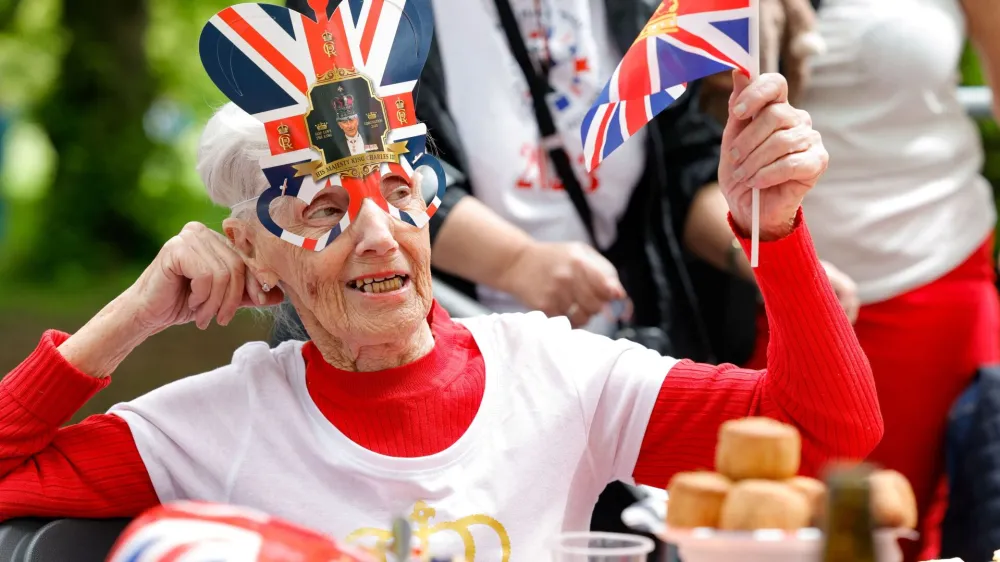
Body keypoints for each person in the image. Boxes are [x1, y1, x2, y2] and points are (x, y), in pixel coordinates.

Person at [0, 66, 880, 559]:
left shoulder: (557, 372)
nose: (380, 235)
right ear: (251, 249)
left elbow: (829, 433)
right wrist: (131, 318)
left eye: (397, 191)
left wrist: (778, 232)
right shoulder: (211, 424)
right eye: (321, 209)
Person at [741, 0, 1000, 559]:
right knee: (771, 537)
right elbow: (685, 135)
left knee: (923, 536)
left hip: (940, 272)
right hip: (779, 283)